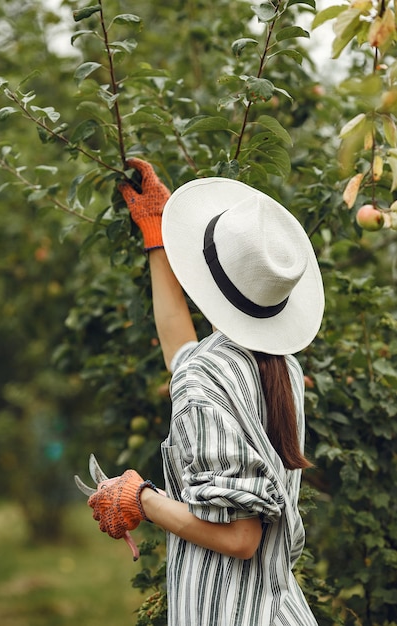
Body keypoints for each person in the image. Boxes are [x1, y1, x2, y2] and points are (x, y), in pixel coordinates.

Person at [87, 159, 325, 626]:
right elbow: (183, 357)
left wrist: (143, 499)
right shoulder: (284, 369)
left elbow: (241, 538)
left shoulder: (207, 374)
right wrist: (156, 237)